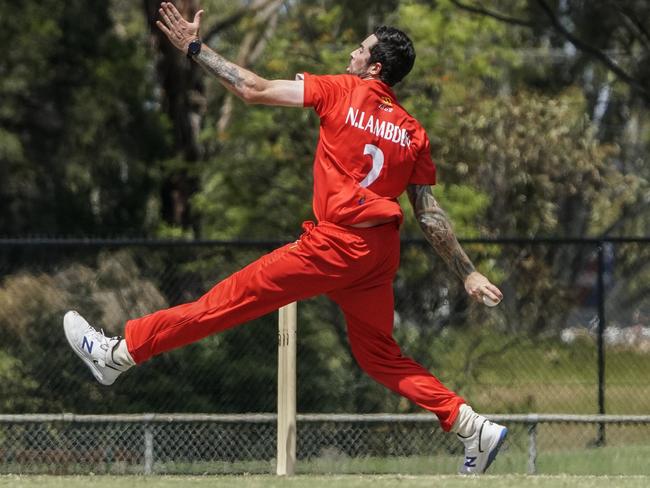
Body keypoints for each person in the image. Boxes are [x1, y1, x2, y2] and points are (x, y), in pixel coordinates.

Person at [63, 1, 507, 475]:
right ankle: (469, 424)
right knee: (379, 356)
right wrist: (468, 271)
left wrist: (193, 48)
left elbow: (252, 89)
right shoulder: (413, 131)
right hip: (377, 253)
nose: (351, 56)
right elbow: (429, 214)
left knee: (222, 302)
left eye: (360, 51)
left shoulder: (341, 91)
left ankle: (119, 354)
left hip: (334, 245)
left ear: (374, 67)